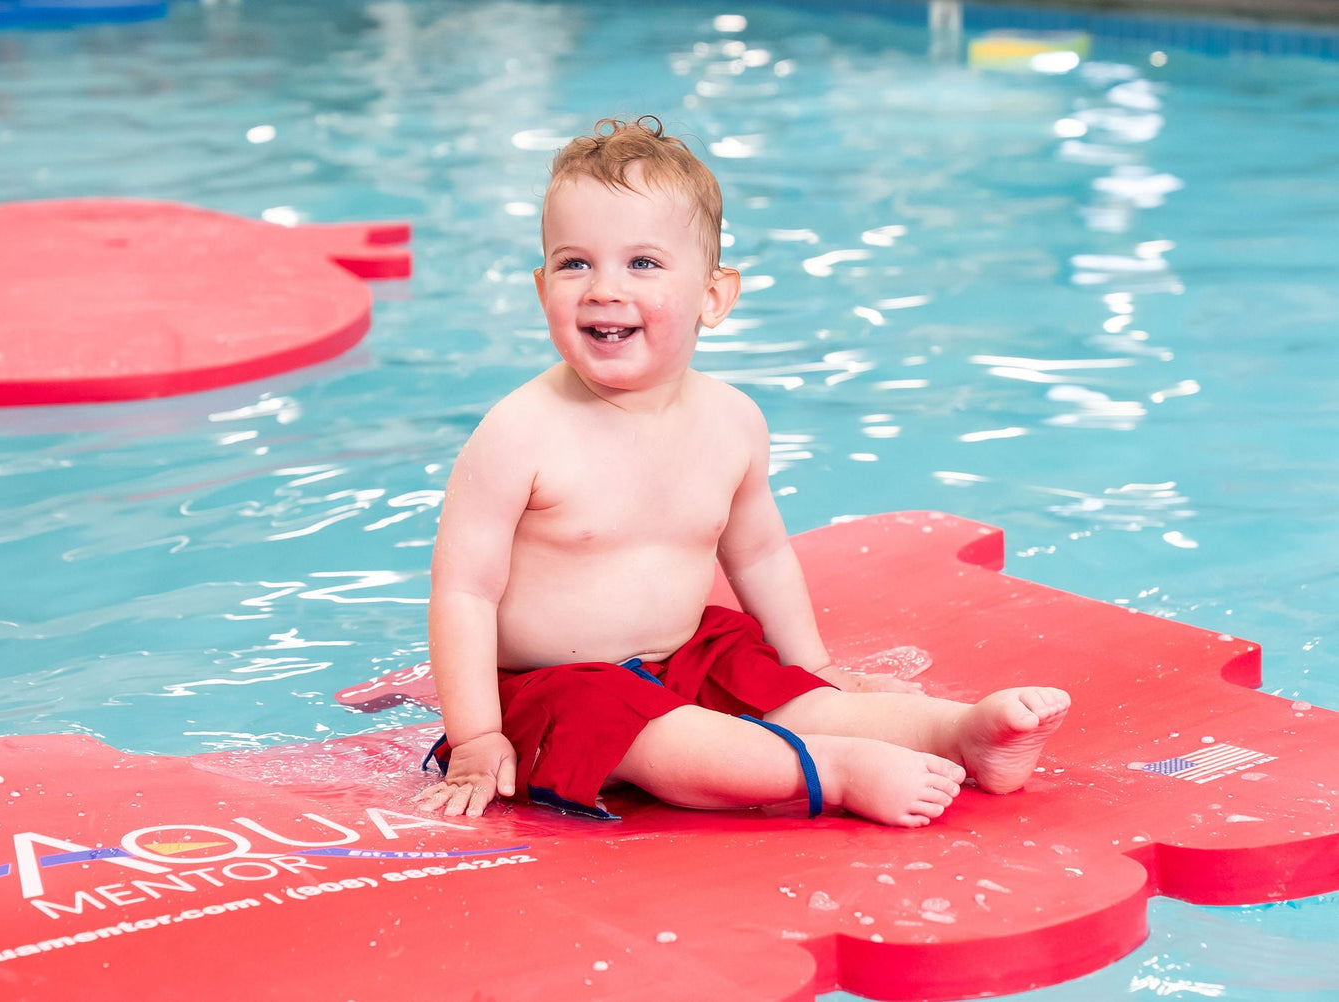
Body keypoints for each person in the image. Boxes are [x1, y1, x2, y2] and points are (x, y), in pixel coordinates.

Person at [416, 116, 1069, 827]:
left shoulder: (731, 421)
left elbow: (759, 555)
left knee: (784, 692)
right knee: (642, 732)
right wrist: (477, 736)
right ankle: (831, 771)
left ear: (714, 297)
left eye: (642, 263)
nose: (603, 289)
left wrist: (812, 667)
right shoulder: (519, 433)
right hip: (550, 687)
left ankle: (960, 733)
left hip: (684, 655)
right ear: (542, 287)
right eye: (575, 264)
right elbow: (464, 593)